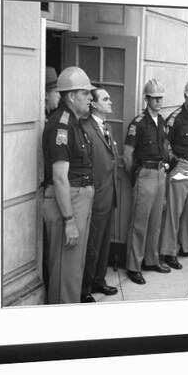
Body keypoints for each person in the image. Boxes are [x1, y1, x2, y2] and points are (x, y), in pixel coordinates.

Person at [42, 66, 96, 304]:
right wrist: (69, 220)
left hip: (78, 196)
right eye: (86, 93)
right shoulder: (62, 124)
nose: (90, 98)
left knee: (74, 268)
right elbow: (60, 177)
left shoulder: (74, 122)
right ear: (72, 96)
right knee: (66, 269)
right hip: (69, 200)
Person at [124, 79, 171, 285]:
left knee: (156, 222)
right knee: (139, 223)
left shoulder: (161, 121)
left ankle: (151, 260)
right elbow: (127, 155)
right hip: (145, 174)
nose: (159, 101)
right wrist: (136, 177)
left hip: (160, 173)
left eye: (160, 97)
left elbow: (165, 148)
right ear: (147, 99)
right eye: (155, 98)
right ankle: (134, 266)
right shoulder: (138, 123)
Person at [160, 78, 188, 268]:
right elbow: (164, 143)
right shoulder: (176, 117)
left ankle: (187, 245)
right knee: (174, 212)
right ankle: (169, 251)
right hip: (181, 166)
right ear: (185, 96)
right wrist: (174, 162)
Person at [80, 88, 119, 302]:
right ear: (93, 104)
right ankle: (85, 287)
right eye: (105, 99)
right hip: (95, 196)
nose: (110, 101)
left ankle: (98, 280)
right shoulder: (85, 128)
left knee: (104, 243)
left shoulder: (106, 127)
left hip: (109, 193)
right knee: (92, 244)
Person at [41, 67, 60, 291]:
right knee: (49, 248)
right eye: (55, 92)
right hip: (47, 189)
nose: (58, 96)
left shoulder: (50, 118)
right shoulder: (46, 121)